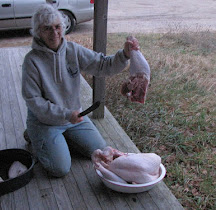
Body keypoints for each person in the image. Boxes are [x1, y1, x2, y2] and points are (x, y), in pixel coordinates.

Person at [22, 4, 139, 177]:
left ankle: (60, 140)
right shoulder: (31, 61)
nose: (54, 33)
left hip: (74, 118)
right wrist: (66, 114)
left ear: (63, 27)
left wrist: (125, 55)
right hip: (45, 121)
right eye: (47, 29)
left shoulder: (73, 51)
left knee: (102, 151)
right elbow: (34, 101)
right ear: (38, 32)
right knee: (60, 169)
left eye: (57, 27)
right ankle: (35, 135)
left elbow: (103, 65)